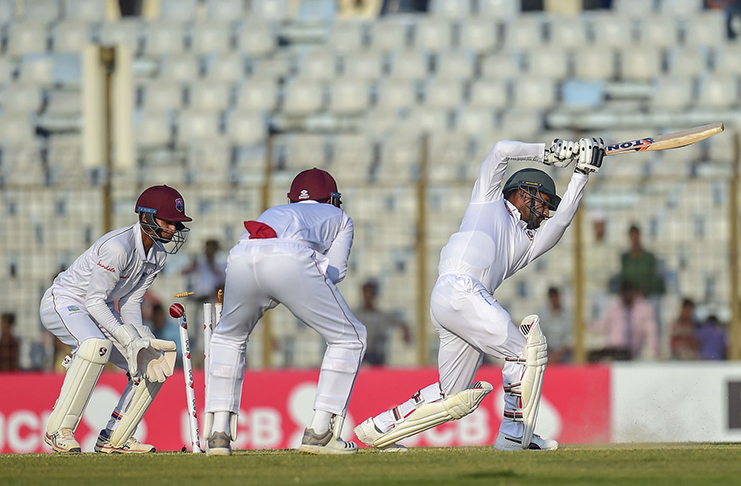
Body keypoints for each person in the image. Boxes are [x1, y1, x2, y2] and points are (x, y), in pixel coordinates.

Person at [353, 137, 606, 452]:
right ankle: (516, 432)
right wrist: (550, 153)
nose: (543, 211)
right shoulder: (487, 200)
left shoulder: (526, 244)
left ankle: (378, 427)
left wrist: (581, 173)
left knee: (454, 397)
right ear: (520, 191)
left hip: (458, 301)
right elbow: (501, 150)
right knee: (526, 353)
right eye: (540, 201)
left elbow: (564, 219)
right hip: (461, 291)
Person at [204, 168, 366, 456]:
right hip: (289, 258)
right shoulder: (340, 217)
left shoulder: (273, 210)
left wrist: (273, 290)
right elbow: (335, 272)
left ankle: (218, 433)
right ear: (332, 198)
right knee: (350, 338)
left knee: (227, 337)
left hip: (241, 254)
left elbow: (260, 250)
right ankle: (320, 432)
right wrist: (292, 285)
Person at [39, 185, 190, 453]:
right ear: (146, 217)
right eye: (168, 222)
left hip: (101, 309)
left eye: (176, 224)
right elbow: (93, 301)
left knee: (150, 361)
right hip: (66, 301)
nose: (172, 230)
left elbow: (132, 301)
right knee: (94, 346)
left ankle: (115, 436)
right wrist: (126, 337)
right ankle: (58, 430)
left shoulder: (158, 255)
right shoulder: (118, 248)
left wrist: (139, 339)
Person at [589, 281, 660, 361]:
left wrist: (654, 352)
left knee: (620, 355)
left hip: (628, 351)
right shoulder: (614, 306)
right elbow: (605, 325)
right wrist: (588, 325)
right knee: (592, 357)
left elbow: (651, 333)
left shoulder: (644, 309)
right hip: (611, 348)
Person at [352, 279, 410, 366]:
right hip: (358, 353)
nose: (368, 296)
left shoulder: (381, 315)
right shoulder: (355, 315)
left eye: (370, 293)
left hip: (376, 355)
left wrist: (405, 331)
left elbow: (399, 321)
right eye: (366, 293)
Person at [539, 287, 572, 364]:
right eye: (552, 298)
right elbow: (540, 335)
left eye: (556, 298)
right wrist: (549, 354)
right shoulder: (542, 315)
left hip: (564, 354)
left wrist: (560, 353)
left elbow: (569, 338)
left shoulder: (568, 315)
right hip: (547, 352)